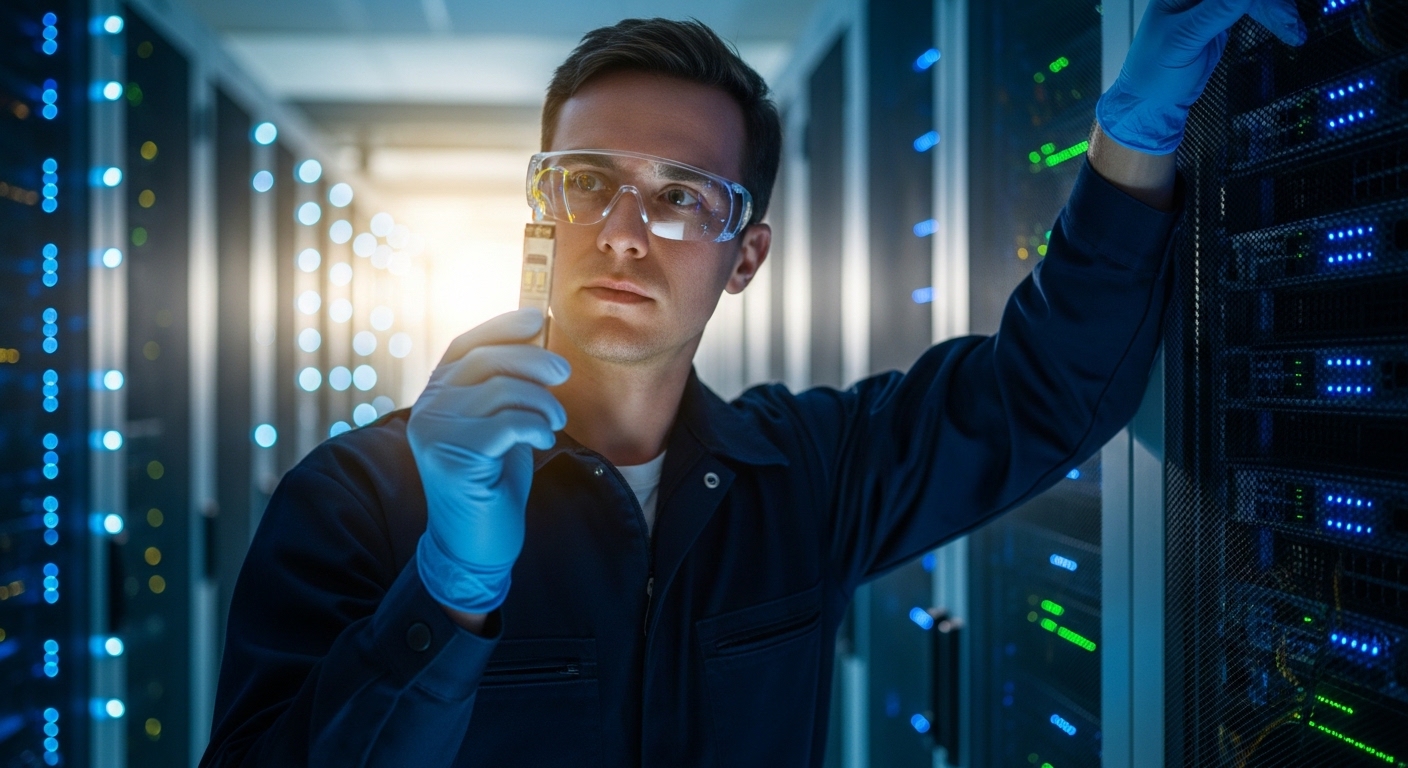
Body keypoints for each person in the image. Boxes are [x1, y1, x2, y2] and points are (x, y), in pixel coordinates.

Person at [202, 5, 1305, 766]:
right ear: (537, 215)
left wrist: (1132, 134)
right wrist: (446, 585)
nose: (625, 232)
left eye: (682, 195)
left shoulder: (805, 476)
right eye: (586, 185)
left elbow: (1048, 391)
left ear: (745, 257)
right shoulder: (355, 498)